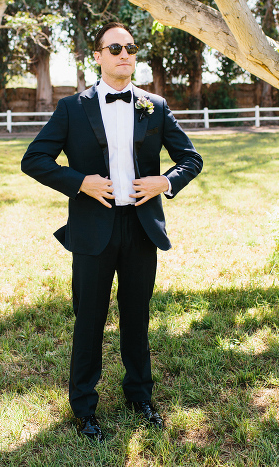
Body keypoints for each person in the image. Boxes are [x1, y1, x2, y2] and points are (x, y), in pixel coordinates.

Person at [21, 22, 203, 441]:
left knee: (137, 318)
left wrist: (166, 181)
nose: (125, 54)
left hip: (141, 229)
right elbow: (35, 159)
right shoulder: (72, 108)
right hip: (92, 230)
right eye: (115, 47)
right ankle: (84, 408)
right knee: (89, 320)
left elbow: (190, 158)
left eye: (131, 48)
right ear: (98, 56)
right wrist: (79, 181)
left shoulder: (155, 105)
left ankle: (140, 396)